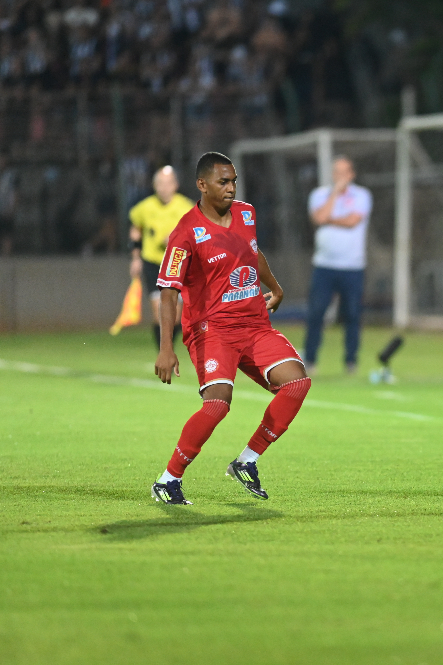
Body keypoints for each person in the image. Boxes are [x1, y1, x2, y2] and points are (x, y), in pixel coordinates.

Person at [151, 152, 311, 505]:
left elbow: (253, 253)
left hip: (253, 323)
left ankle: (247, 460)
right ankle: (168, 480)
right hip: (212, 329)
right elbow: (168, 291)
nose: (231, 188)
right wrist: (166, 347)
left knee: (297, 382)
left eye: (234, 180)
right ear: (202, 185)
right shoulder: (185, 233)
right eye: (223, 182)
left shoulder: (246, 213)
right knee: (218, 405)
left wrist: (276, 285)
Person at [303, 156, 372, 375]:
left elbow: (353, 221)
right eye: (336, 172)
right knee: (316, 313)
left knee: (352, 314)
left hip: (353, 267)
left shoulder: (362, 195)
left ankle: (351, 361)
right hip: (324, 266)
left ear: (351, 174)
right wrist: (334, 196)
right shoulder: (320, 194)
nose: (339, 176)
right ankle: (310, 359)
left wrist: (330, 219)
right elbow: (319, 217)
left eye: (344, 172)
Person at [128, 165, 194, 348]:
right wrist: (135, 257)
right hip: (153, 262)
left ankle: (168, 347)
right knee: (159, 311)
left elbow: (196, 234)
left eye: (168, 183)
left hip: (177, 263)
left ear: (175, 185)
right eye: (160, 184)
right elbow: (135, 229)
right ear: (155, 185)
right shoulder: (145, 207)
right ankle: (163, 352)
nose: (164, 188)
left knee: (176, 315)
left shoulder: (186, 207)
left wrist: (177, 239)